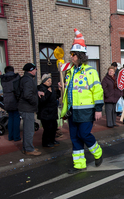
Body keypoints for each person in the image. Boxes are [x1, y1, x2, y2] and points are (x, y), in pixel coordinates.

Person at [60, 28, 104, 174]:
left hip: (86, 111)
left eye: (73, 54)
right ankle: (79, 165)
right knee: (74, 137)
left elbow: (97, 91)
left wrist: (98, 109)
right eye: (71, 54)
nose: (71, 57)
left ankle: (97, 153)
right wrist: (63, 87)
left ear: (79, 56)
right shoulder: (69, 72)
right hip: (73, 111)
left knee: (84, 135)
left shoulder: (91, 72)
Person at [18, 63, 41, 156]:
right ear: (31, 70)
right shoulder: (28, 80)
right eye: (35, 69)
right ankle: (28, 149)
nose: (36, 71)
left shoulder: (26, 79)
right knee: (29, 130)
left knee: (28, 129)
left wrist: (37, 92)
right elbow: (27, 95)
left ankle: (27, 147)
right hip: (27, 108)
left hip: (26, 107)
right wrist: (35, 101)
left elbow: (29, 92)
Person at [37, 73, 60, 148]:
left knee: (54, 127)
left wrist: (59, 90)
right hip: (45, 112)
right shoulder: (41, 88)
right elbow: (42, 100)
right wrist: (48, 92)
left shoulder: (51, 88)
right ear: (44, 82)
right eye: (48, 81)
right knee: (47, 128)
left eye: (50, 81)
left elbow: (56, 96)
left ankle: (52, 140)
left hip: (52, 111)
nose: (50, 82)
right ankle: (46, 142)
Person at [0, 66, 21, 142]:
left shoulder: (2, 79)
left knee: (11, 118)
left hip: (6, 100)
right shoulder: (16, 77)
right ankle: (16, 136)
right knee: (16, 118)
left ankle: (10, 136)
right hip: (14, 99)